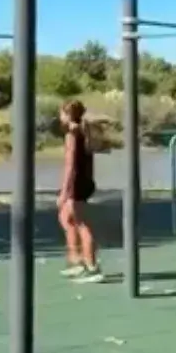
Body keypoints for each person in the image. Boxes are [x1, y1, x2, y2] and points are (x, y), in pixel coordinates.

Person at [57, 100, 103, 283]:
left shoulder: (73, 134)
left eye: (61, 113)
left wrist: (65, 191)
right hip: (83, 181)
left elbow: (70, 166)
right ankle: (78, 261)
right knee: (66, 218)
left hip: (77, 183)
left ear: (67, 115)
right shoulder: (84, 131)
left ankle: (92, 267)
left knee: (82, 223)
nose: (60, 117)